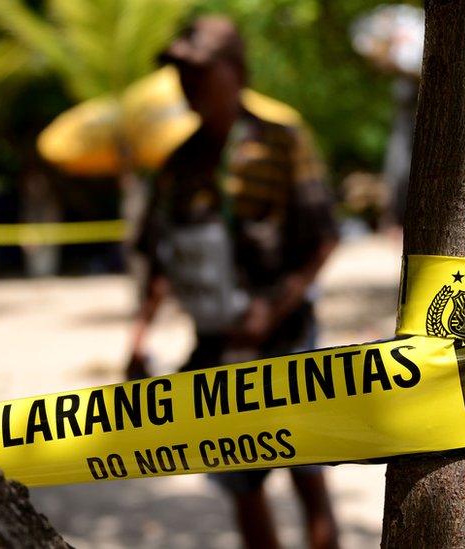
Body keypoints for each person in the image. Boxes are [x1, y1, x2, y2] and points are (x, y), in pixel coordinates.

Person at [125, 15, 341, 549]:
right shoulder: (178, 164)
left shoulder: (281, 143)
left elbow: (323, 239)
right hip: (218, 346)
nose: (187, 83)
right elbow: (159, 260)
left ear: (236, 72)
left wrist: (277, 306)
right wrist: (138, 339)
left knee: (306, 470)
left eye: (199, 70)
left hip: (286, 339)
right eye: (180, 72)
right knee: (240, 482)